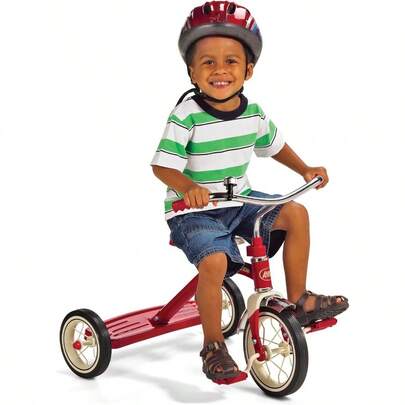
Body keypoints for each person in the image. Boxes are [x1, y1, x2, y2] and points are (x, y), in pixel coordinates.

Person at [151, 1, 349, 382]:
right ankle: (213, 346)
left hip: (239, 202)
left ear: (249, 70)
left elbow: (274, 146)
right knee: (214, 263)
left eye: (231, 61)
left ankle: (299, 300)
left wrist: (304, 168)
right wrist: (189, 188)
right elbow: (162, 165)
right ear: (192, 71)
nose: (220, 70)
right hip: (192, 211)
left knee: (295, 213)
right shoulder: (186, 116)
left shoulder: (252, 113)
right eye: (208, 62)